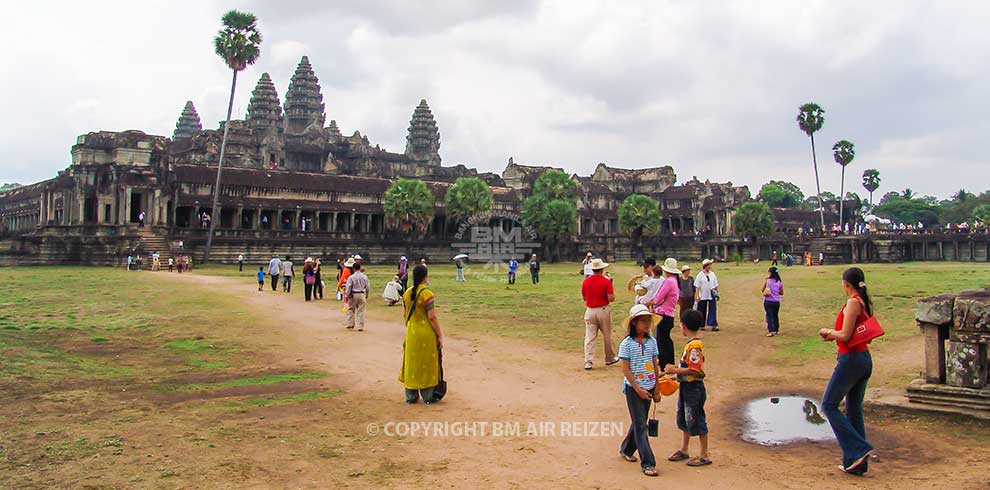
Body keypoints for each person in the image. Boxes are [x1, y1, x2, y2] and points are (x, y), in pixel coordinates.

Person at [818, 267, 876, 475]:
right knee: (853, 410)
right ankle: (856, 463)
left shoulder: (853, 302)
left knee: (828, 405)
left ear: (846, 284)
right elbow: (866, 335)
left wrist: (828, 332)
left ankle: (859, 448)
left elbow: (845, 335)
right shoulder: (865, 302)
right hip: (863, 359)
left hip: (851, 360)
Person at [617, 304, 662, 477]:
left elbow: (655, 365)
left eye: (648, 321)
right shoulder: (627, 344)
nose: (646, 324)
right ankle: (648, 463)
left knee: (639, 422)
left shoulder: (652, 343)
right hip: (634, 390)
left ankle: (626, 449)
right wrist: (638, 389)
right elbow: (626, 370)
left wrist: (656, 388)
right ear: (634, 323)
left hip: (650, 386)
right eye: (643, 321)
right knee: (641, 425)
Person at [665, 309, 711, 467]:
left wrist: (674, 370)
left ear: (682, 326)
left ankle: (704, 455)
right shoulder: (692, 345)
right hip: (687, 386)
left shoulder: (694, 346)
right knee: (685, 418)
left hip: (694, 389)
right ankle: (684, 449)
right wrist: (674, 376)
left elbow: (695, 369)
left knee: (696, 418)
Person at [399, 264, 444, 404]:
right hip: (426, 334)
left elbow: (405, 314)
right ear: (425, 276)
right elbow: (432, 317)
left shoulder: (407, 293)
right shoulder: (427, 294)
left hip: (412, 333)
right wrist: (440, 335)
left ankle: (411, 395)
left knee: (412, 363)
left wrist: (411, 327)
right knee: (427, 362)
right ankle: (428, 395)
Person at [581, 258, 618, 370]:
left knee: (590, 337)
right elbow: (610, 298)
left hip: (590, 310)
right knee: (607, 335)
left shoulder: (586, 281)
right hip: (602, 309)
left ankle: (588, 361)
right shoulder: (606, 281)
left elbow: (584, 297)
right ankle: (609, 358)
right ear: (602, 269)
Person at [646, 258, 680, 370]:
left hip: (663, 314)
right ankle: (668, 362)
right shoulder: (674, 281)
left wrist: (650, 302)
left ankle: (665, 364)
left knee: (662, 340)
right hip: (669, 313)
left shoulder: (668, 281)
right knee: (665, 339)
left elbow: (659, 298)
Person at [693, 259, 719, 331]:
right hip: (703, 294)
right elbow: (697, 286)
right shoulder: (700, 275)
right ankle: (701, 324)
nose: (710, 266)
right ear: (705, 266)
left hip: (711, 294)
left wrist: (717, 293)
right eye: (709, 265)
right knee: (701, 310)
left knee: (713, 309)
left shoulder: (712, 274)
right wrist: (697, 295)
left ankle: (713, 324)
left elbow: (716, 284)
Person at [345, 263, 369, 331]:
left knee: (351, 309)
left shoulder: (351, 277)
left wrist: (347, 295)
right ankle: (360, 326)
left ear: (353, 269)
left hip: (353, 294)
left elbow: (349, 287)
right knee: (361, 311)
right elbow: (367, 287)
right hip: (361, 294)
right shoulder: (364, 277)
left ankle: (350, 324)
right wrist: (367, 294)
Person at [762, 267, 784, 337]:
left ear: (770, 273)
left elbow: (762, 289)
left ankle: (771, 330)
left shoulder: (768, 281)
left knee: (769, 315)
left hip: (768, 301)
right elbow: (781, 292)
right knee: (775, 315)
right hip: (776, 302)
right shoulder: (779, 282)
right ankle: (776, 329)